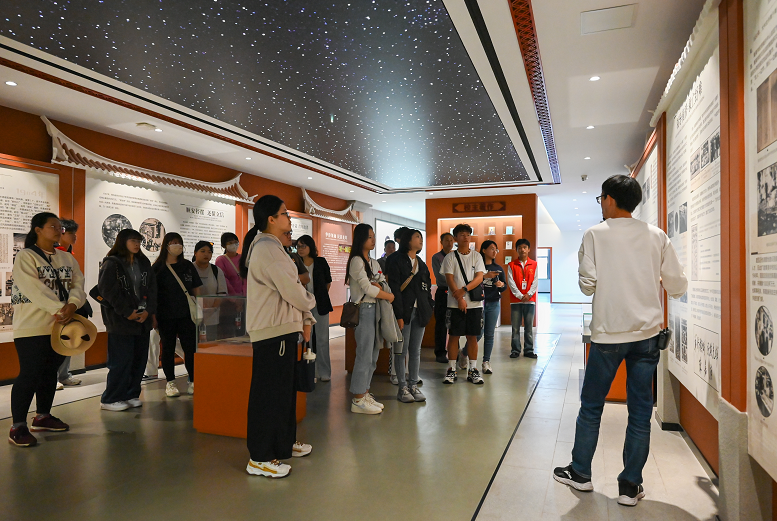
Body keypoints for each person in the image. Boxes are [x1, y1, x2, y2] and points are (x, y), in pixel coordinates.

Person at [553, 175, 687, 506]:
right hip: (647, 336)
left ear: (610, 199)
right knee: (640, 411)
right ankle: (630, 485)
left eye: (601, 199)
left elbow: (587, 285)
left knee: (591, 406)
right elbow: (677, 285)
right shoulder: (657, 235)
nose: (601, 204)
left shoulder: (594, 234)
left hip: (608, 336)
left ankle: (580, 473)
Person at [240, 195, 316, 479]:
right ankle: (260, 457)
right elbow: (293, 290)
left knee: (283, 393)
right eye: (285, 214)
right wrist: (310, 304)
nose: (289, 218)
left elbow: (293, 286)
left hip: (283, 329)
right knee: (269, 395)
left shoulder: (275, 247)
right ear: (270, 219)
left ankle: (283, 442)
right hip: (273, 333)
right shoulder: (266, 248)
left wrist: (305, 318)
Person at [8, 212, 86, 447]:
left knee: (50, 372)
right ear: (38, 230)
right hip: (32, 326)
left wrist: (73, 304)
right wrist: (60, 309)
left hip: (61, 325)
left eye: (60, 227)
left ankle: (42, 416)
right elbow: (32, 288)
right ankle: (17, 426)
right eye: (53, 226)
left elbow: (78, 284)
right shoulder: (26, 256)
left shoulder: (67, 258)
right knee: (30, 373)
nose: (58, 230)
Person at [98, 229, 157, 411]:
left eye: (139, 241)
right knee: (120, 361)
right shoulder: (112, 263)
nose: (137, 244)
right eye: (133, 240)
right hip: (120, 321)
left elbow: (152, 288)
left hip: (142, 319)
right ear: (122, 241)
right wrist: (126, 312)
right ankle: (111, 398)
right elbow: (108, 291)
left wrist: (148, 311)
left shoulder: (143, 262)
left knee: (138, 360)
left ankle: (131, 394)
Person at [347, 223, 395, 414]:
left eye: (374, 236)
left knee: (374, 354)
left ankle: (365, 392)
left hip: (376, 309)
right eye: (369, 237)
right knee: (364, 354)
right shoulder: (356, 261)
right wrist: (388, 296)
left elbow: (380, 283)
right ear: (361, 239)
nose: (373, 240)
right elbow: (368, 288)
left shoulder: (374, 262)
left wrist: (380, 288)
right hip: (364, 310)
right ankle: (358, 398)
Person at [152, 233, 202, 398]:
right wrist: (153, 315)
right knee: (168, 348)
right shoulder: (157, 268)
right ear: (166, 245)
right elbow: (152, 294)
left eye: (179, 243)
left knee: (190, 348)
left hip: (187, 314)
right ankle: (170, 382)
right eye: (173, 243)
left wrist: (200, 307)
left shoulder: (187, 266)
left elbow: (196, 288)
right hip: (165, 315)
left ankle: (193, 380)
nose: (177, 246)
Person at [385, 228, 431, 403]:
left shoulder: (421, 263)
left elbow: (426, 287)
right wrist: (398, 315)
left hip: (420, 312)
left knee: (415, 350)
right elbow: (395, 289)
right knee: (401, 351)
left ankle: (413, 384)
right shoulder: (395, 260)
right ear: (407, 240)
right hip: (403, 311)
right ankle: (402, 387)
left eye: (421, 237)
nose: (421, 240)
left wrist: (429, 306)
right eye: (417, 237)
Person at [440, 224, 485, 385]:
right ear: (455, 238)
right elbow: (449, 279)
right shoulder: (450, 257)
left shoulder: (476, 256)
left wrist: (464, 290)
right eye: (462, 234)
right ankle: (452, 369)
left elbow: (479, 277)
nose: (465, 237)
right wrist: (459, 298)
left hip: (474, 304)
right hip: (454, 304)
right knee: (454, 336)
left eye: (467, 234)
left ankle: (473, 369)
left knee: (472, 336)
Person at [296, 234, 334, 382]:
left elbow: (328, 282)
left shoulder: (320, 262)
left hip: (320, 305)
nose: (300, 249)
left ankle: (324, 372)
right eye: (298, 246)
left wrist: (320, 297)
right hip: (302, 306)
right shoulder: (295, 263)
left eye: (303, 246)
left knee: (322, 339)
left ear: (310, 247)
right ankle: (310, 371)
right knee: (307, 339)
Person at [54, 218, 83, 388]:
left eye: (75, 233)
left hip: (70, 302)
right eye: (71, 233)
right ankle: (55, 377)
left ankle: (64, 375)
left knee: (68, 339)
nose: (74, 236)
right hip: (56, 304)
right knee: (57, 341)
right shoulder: (55, 253)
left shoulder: (68, 254)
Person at [507, 239, 539, 359]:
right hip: (516, 301)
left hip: (530, 301)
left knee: (528, 327)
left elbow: (535, 281)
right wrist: (520, 296)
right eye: (520, 247)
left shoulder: (534, 264)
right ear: (516, 250)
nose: (522, 250)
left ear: (529, 249)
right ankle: (515, 350)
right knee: (515, 328)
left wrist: (529, 294)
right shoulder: (511, 265)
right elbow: (511, 282)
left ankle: (529, 350)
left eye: (525, 247)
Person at [478, 240, 506, 375]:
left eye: (496, 249)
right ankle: (464, 353)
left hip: (494, 303)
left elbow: (504, 286)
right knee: (477, 334)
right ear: (484, 250)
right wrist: (484, 276)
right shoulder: (477, 267)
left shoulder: (498, 268)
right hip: (479, 304)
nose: (495, 252)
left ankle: (486, 362)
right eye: (492, 249)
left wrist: (501, 285)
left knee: (489, 334)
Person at [192, 240, 228, 341]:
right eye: (203, 251)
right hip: (193, 316)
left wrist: (212, 308)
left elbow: (222, 292)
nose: (206, 254)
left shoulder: (216, 271)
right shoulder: (189, 269)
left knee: (211, 344)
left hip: (212, 317)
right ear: (195, 253)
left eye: (209, 252)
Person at [431, 232, 455, 363]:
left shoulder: (456, 256)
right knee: (441, 323)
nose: (449, 243)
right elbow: (440, 276)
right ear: (441, 242)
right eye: (447, 240)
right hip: (443, 291)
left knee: (455, 323)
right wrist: (454, 281)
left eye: (451, 240)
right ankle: (440, 352)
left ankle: (454, 351)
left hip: (455, 293)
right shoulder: (437, 257)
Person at [215, 232, 246, 296]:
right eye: (230, 243)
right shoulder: (221, 260)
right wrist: (234, 296)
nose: (234, 245)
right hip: (229, 297)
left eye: (235, 242)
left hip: (245, 295)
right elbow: (223, 280)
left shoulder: (243, 258)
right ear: (223, 246)